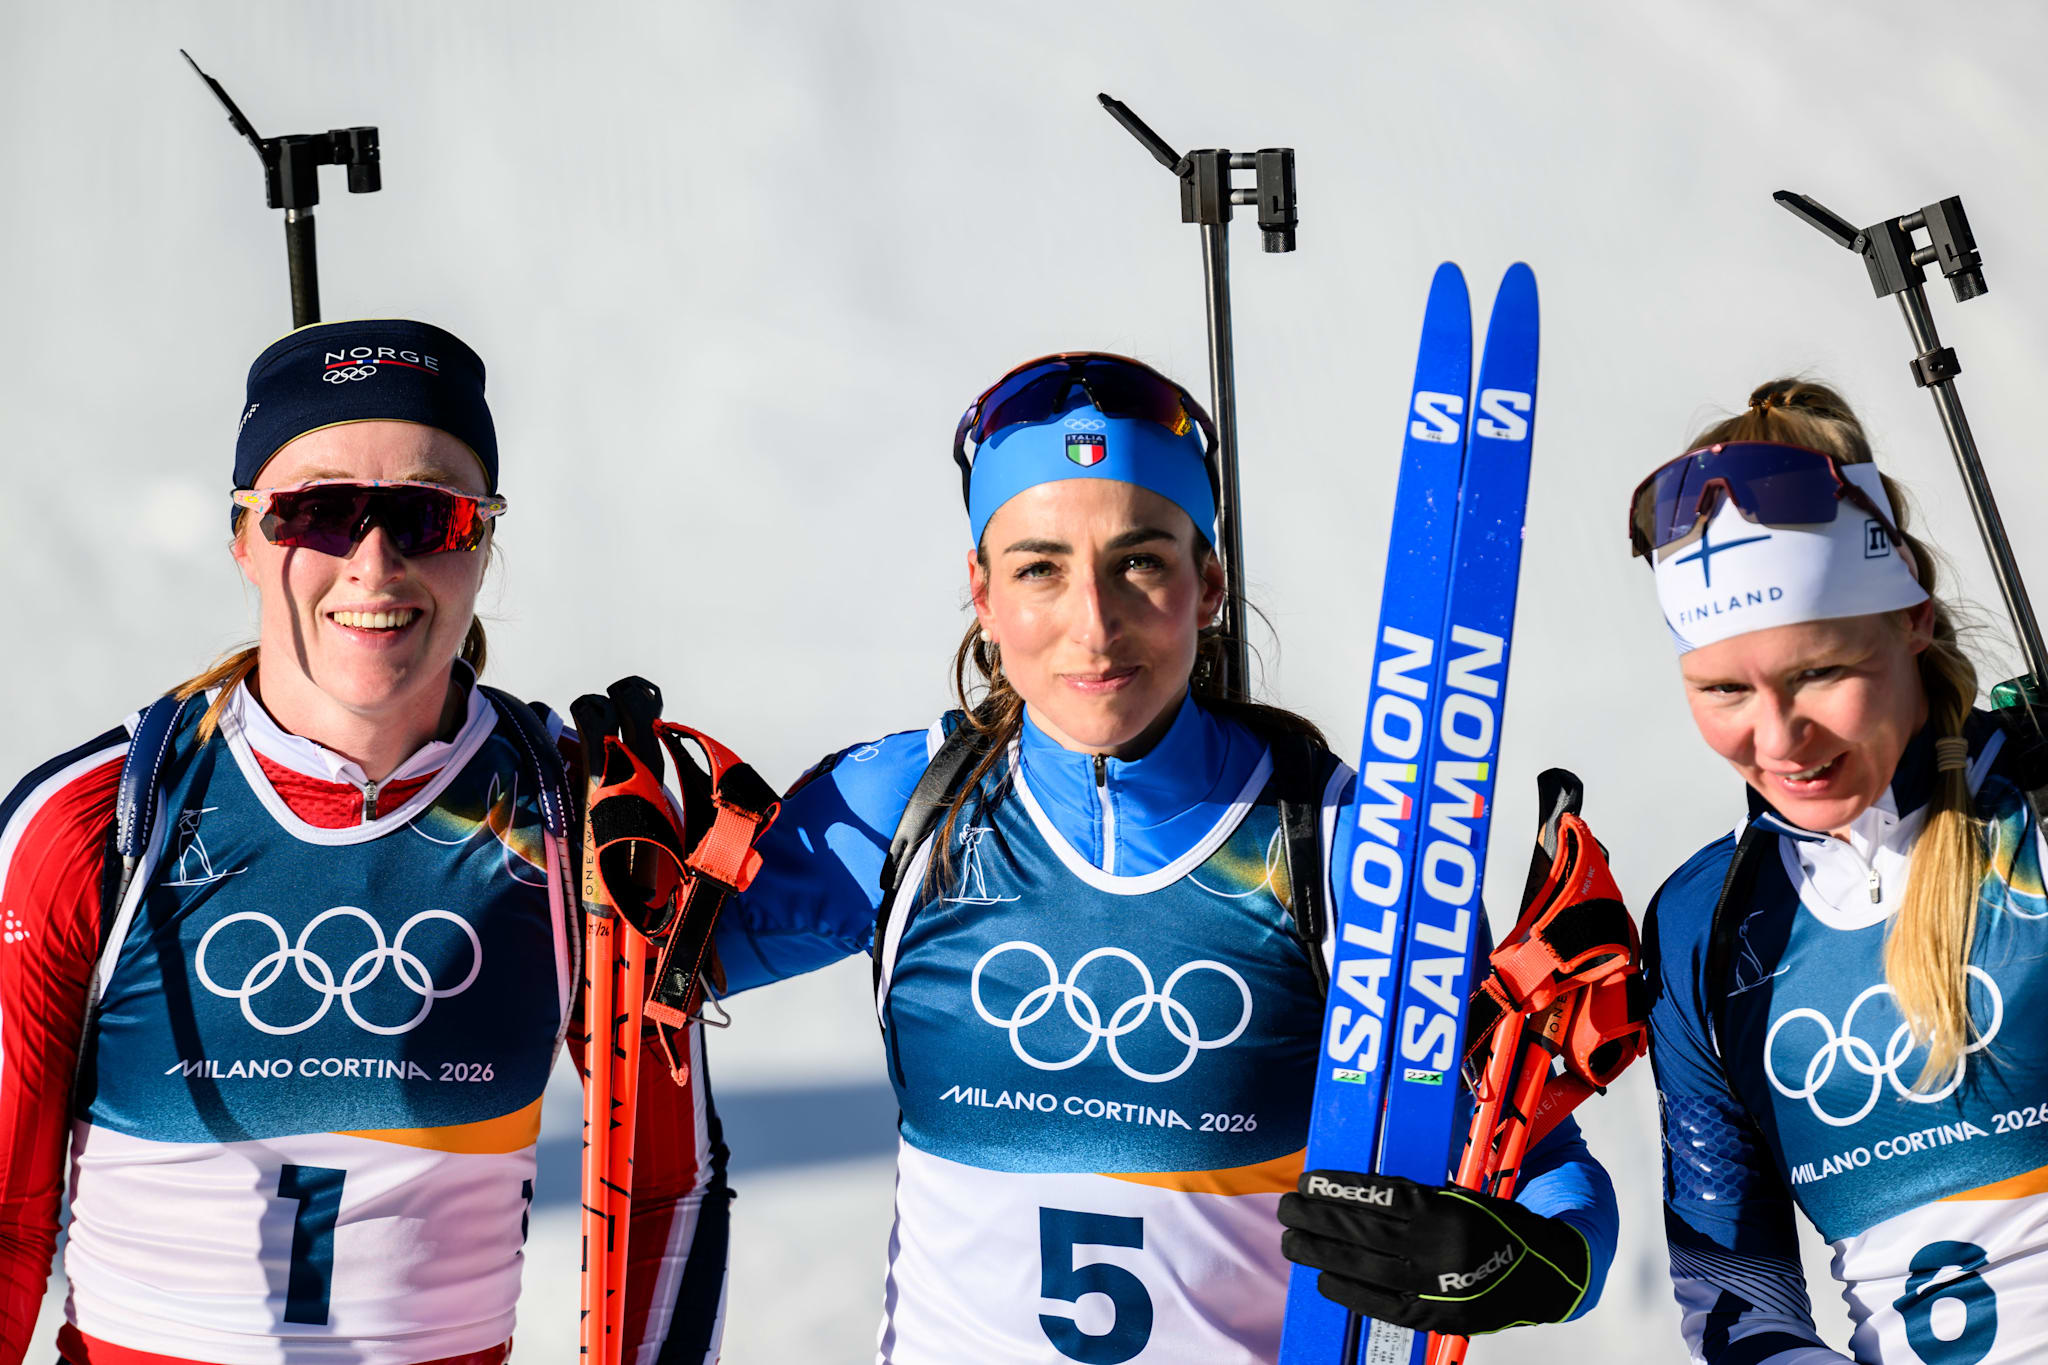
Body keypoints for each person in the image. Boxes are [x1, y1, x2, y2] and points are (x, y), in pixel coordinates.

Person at [711, 352, 1618, 1363]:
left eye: (1139, 562)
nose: (1092, 625)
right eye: (1038, 568)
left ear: (1208, 584)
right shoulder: (899, 812)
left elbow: (1541, 1163)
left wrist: (1517, 1264)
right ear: (981, 590)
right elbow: (606, 981)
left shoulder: (1334, 848)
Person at [0, 320, 727, 1365]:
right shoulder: (99, 816)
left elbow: (664, 1191)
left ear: (480, 538)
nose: (374, 561)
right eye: (320, 512)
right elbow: (6, 1215)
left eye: (427, 513)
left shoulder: (584, 814)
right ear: (245, 537)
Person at [1638, 379, 2048, 1364]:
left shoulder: (2029, 815)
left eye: (1817, 673)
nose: (1778, 738)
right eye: (1723, 689)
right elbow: (1736, 1293)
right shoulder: (1710, 922)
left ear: (1908, 614)